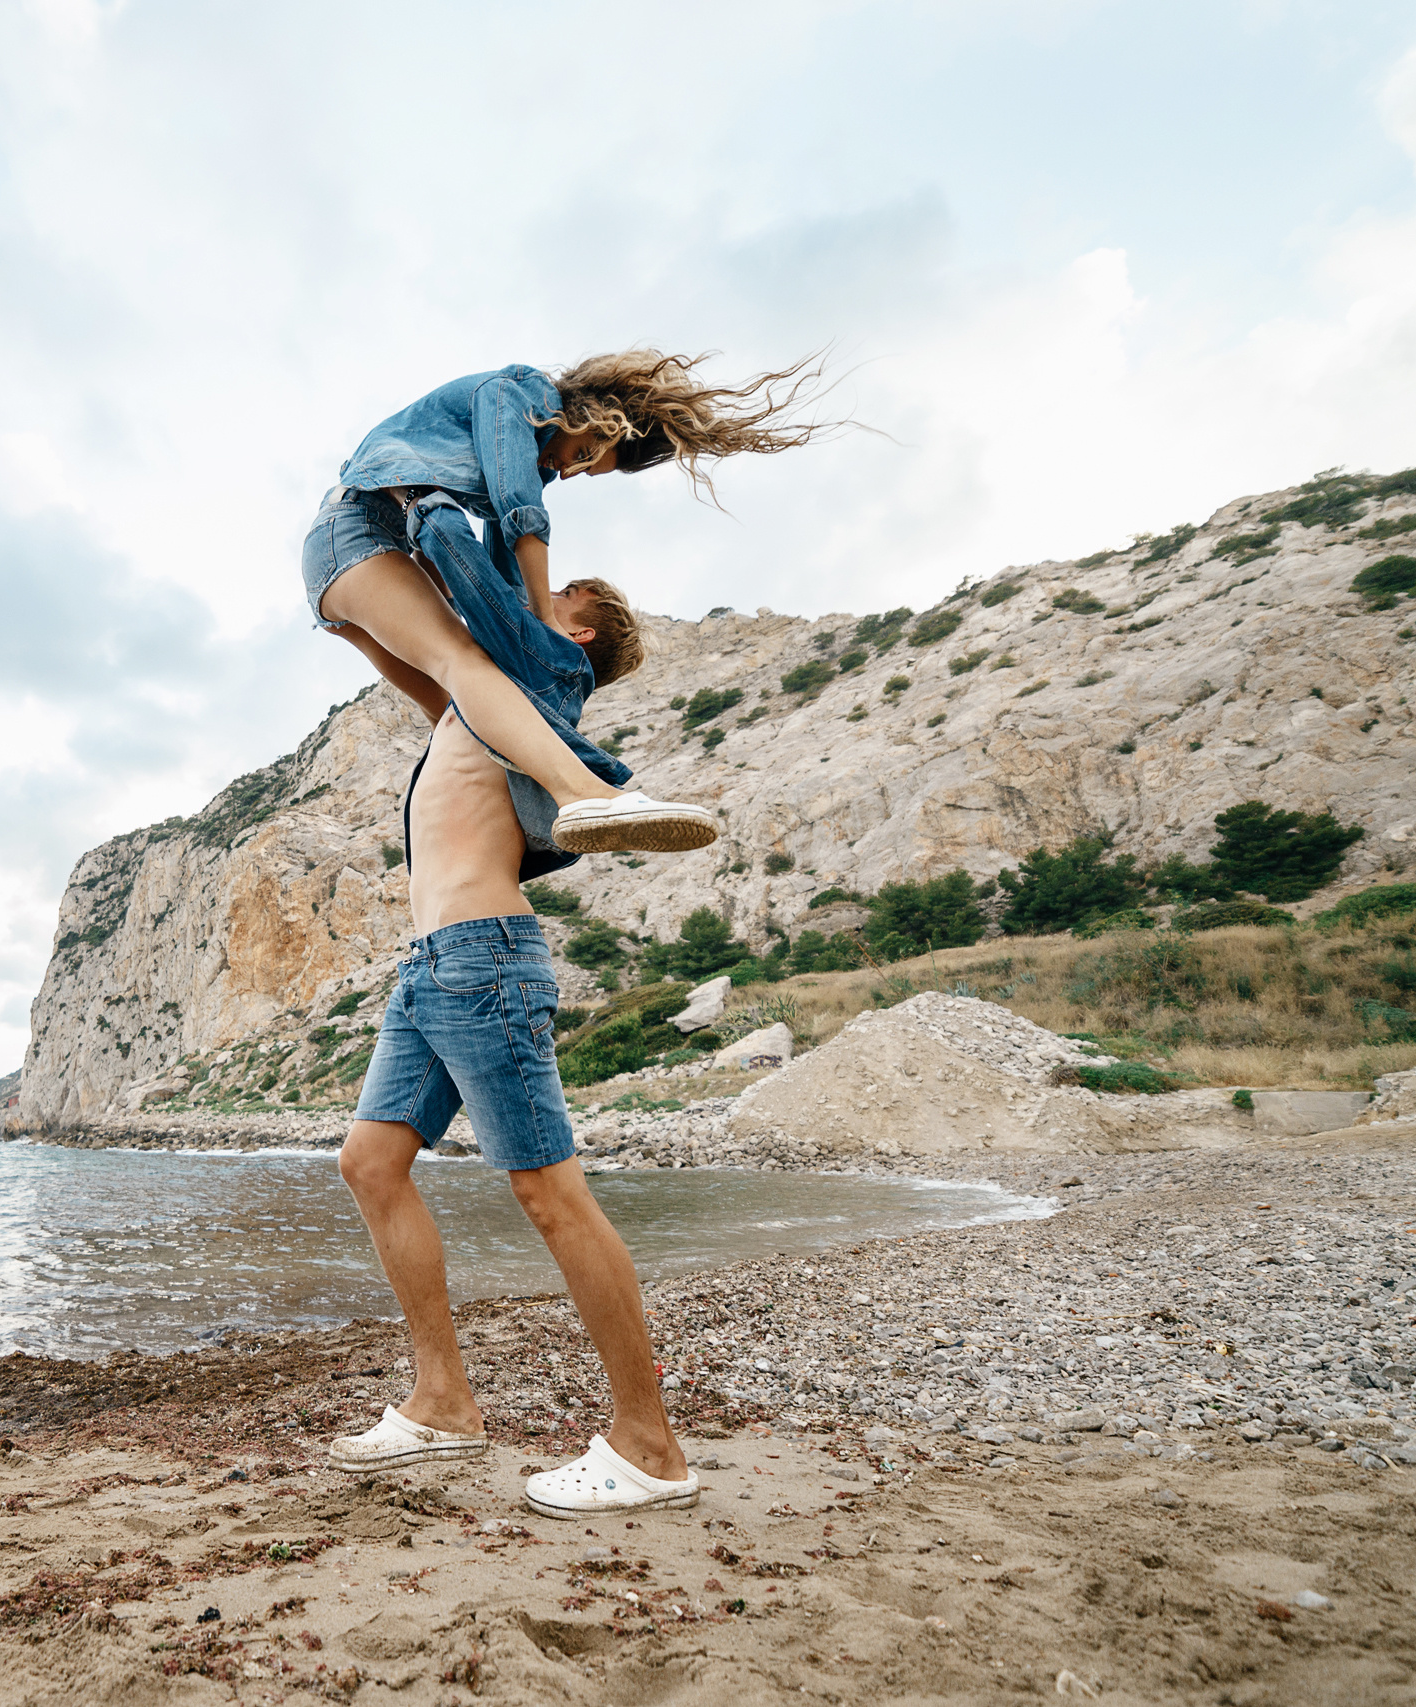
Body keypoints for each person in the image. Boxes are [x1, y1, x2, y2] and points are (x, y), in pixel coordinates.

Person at [321, 569, 700, 1519]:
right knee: (370, 1163)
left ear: (576, 639)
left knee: (548, 1190)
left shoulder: (537, 691)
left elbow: (459, 652)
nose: (533, 596)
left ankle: (649, 1445)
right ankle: (443, 1400)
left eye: (559, 597)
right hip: (430, 966)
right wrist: (358, 623)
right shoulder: (478, 696)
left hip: (484, 957)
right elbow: (423, 662)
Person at [301, 347, 829, 855]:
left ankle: (511, 826)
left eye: (584, 471)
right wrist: (546, 620)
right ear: (594, 413)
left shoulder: (537, 457)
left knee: (457, 713)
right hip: (357, 531)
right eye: (582, 454)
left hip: (353, 554)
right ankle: (582, 791)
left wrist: (518, 622)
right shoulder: (519, 393)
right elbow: (516, 506)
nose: (569, 470)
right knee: (462, 661)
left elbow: (500, 565)